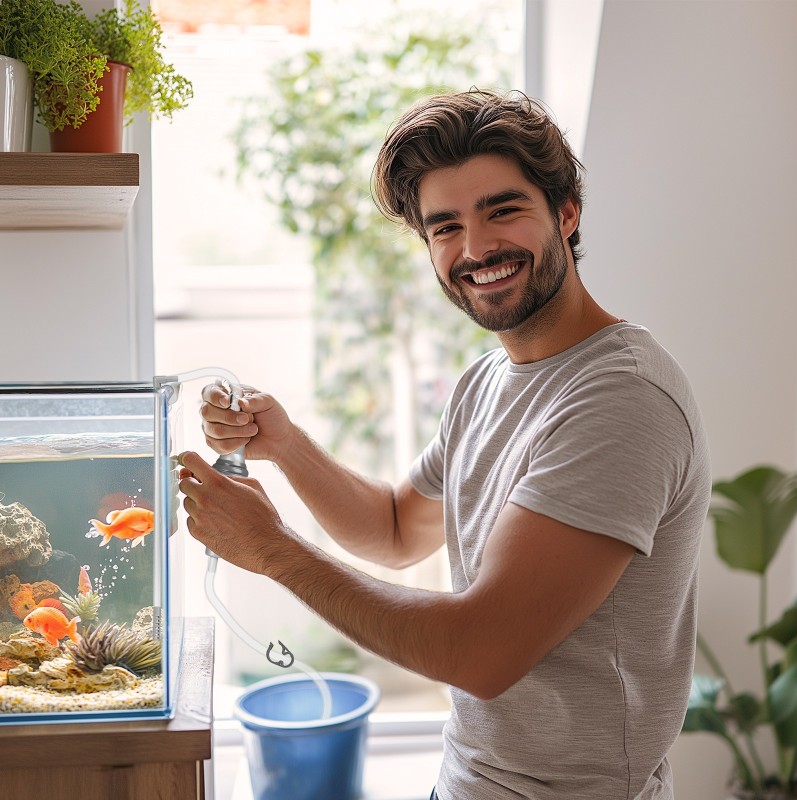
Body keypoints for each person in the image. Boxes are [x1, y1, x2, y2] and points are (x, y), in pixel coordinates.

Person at [178, 89, 711, 799]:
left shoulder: (622, 400)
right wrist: (286, 445)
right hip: (466, 781)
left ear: (567, 212)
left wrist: (274, 551)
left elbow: (481, 651)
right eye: (445, 227)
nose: (476, 248)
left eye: (503, 210)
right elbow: (397, 530)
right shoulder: (489, 378)